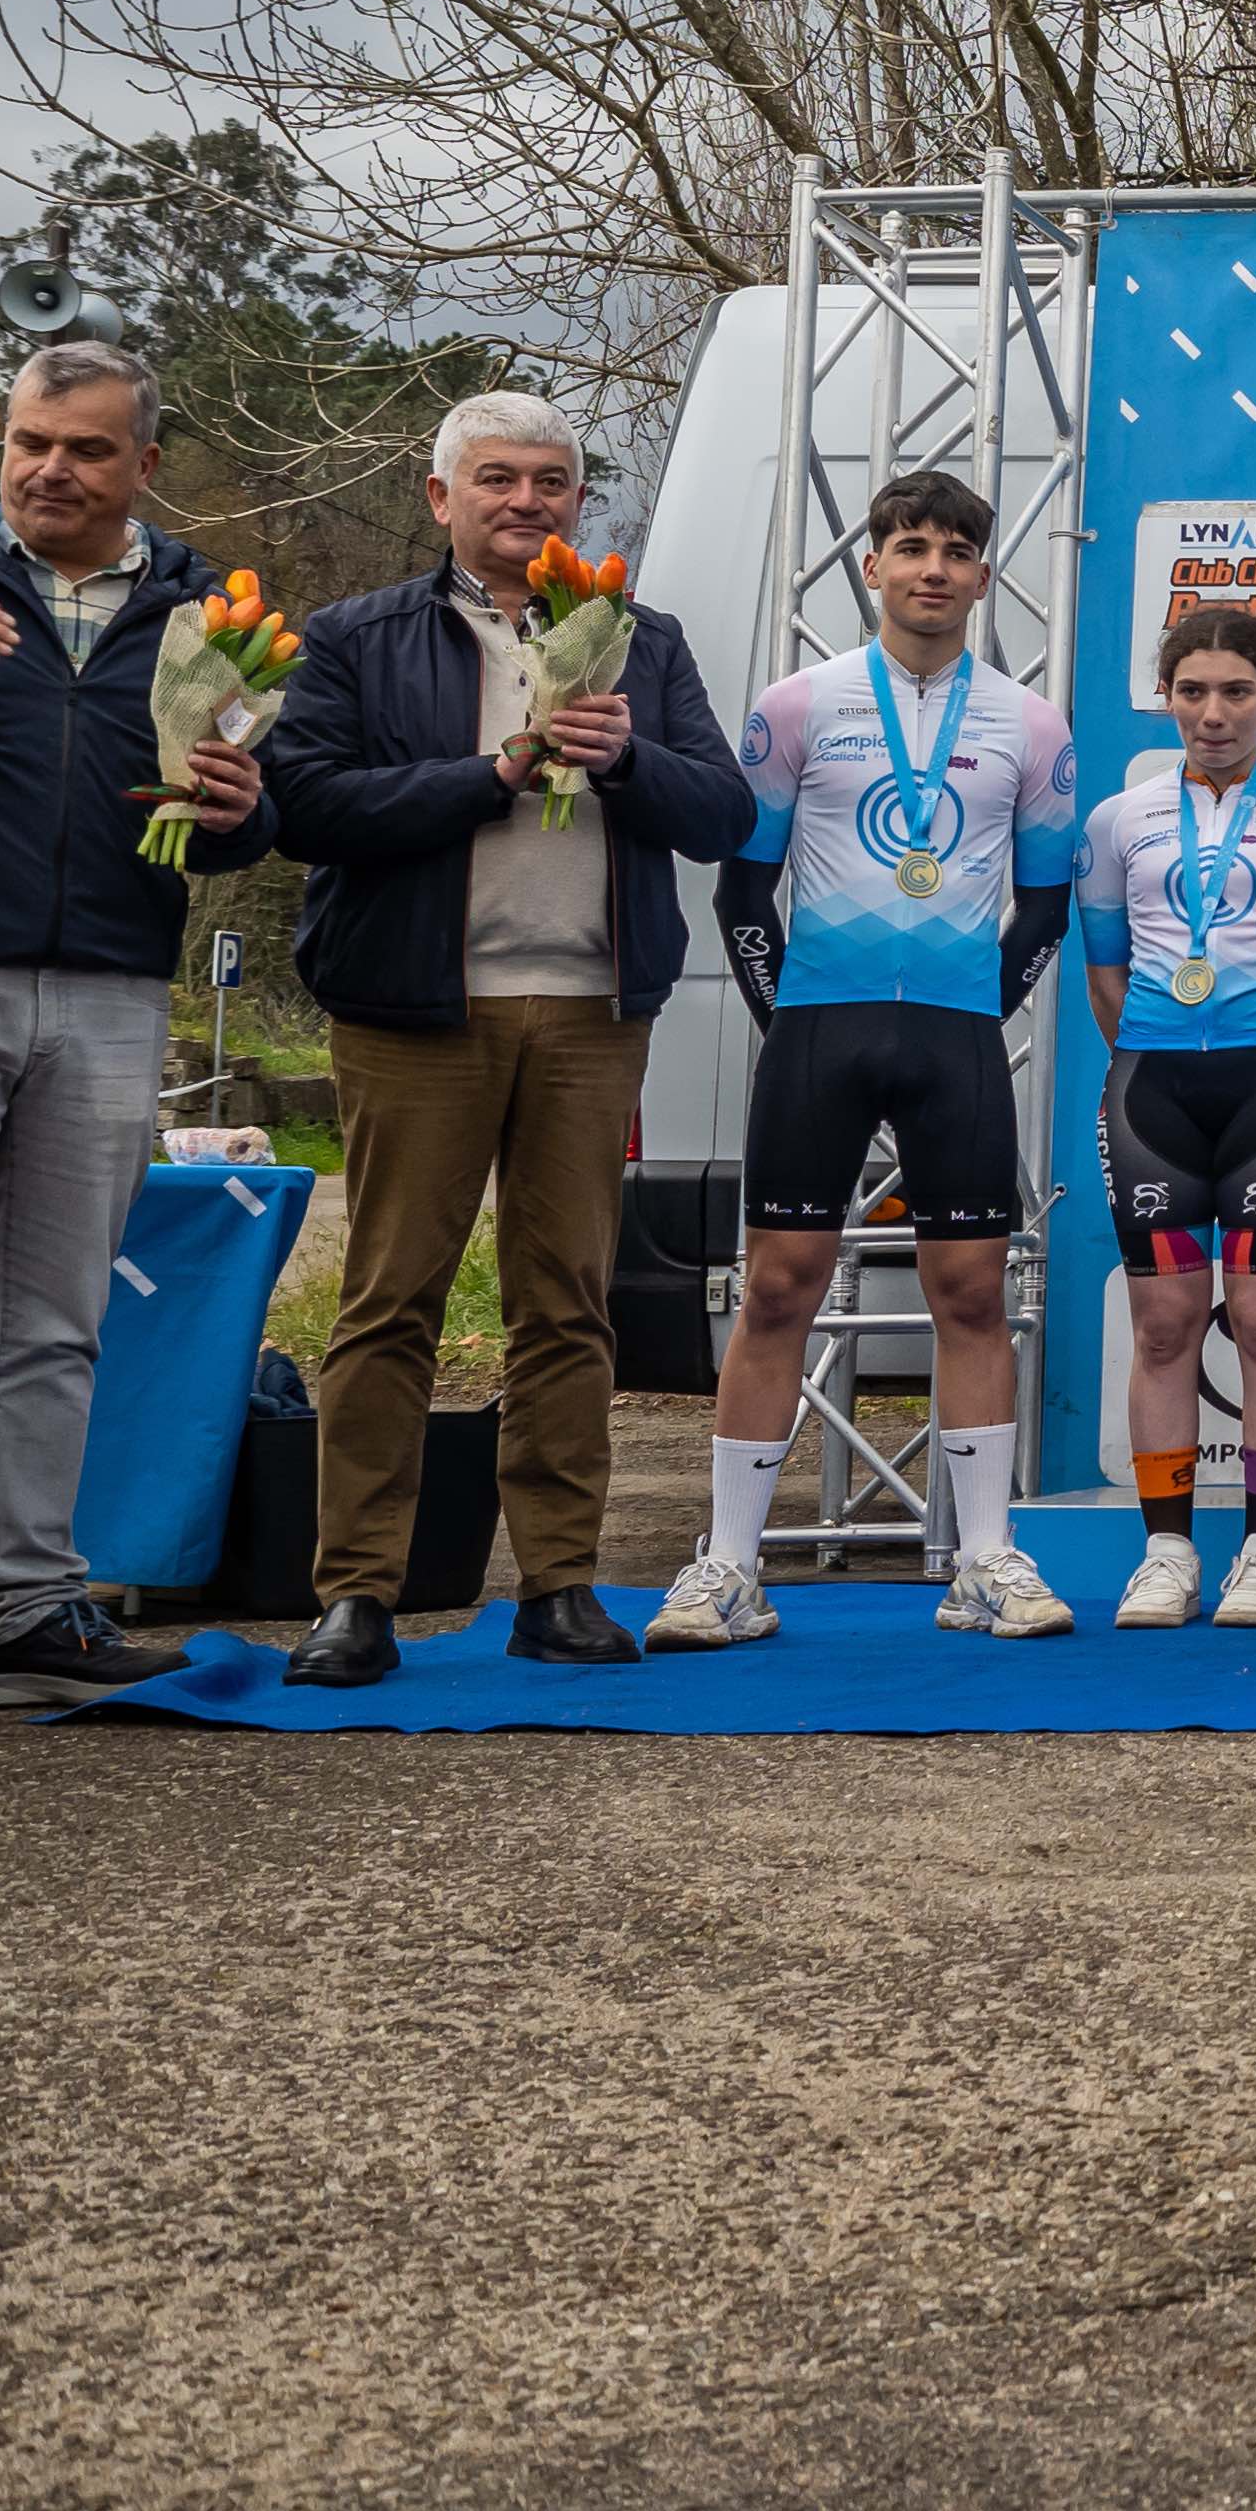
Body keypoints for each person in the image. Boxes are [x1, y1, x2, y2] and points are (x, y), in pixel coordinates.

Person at [265, 389, 752, 1686]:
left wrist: (631, 758)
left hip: (592, 1017)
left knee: (568, 1307)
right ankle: (357, 1595)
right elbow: (303, 804)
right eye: (497, 480)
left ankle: (559, 1585)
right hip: (414, 1012)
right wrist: (489, 775)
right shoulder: (358, 639)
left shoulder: (641, 642)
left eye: (550, 481)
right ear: (442, 499)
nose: (525, 501)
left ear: (578, 505)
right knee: (387, 1306)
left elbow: (724, 813)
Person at [0, 339, 273, 1721]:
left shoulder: (197, 608)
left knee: (54, 1322)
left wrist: (241, 811)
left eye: (87, 449)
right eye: (31, 440)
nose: (50, 468)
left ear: (144, 467)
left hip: (111, 986)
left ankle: (19, 1607)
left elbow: (229, 814)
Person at [663, 470, 1083, 1647]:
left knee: (969, 1294)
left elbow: (1043, 909)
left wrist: (972, 1013)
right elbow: (744, 890)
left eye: (956, 549)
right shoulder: (795, 704)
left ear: (984, 574)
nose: (933, 567)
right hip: (819, 1030)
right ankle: (730, 1566)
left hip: (954, 1038)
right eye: (910, 546)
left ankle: (985, 1557)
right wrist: (790, 1014)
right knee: (780, 1287)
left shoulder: (1030, 722)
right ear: (872, 564)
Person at [1077, 607, 1256, 1631]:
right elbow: (1103, 974)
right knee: (1162, 1324)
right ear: (1166, 696)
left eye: (1235, 691)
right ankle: (1166, 1549)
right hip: (1152, 1085)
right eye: (1192, 691)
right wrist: (1158, 1046)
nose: (1212, 713)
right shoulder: (1121, 817)